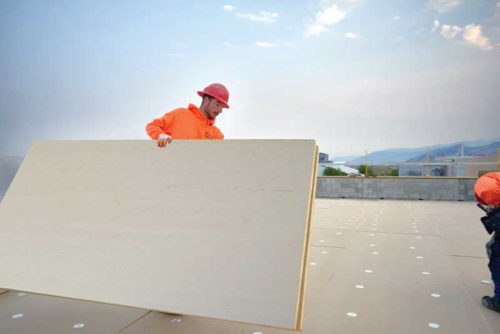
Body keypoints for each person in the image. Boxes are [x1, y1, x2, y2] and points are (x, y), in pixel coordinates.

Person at [146, 83, 230, 147]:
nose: (220, 110)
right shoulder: (180, 114)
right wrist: (160, 135)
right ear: (206, 100)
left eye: (222, 107)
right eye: (217, 104)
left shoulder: (217, 134)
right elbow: (153, 125)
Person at [474, 172, 500, 313]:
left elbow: (489, 192)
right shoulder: (492, 181)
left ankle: (498, 302)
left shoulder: (487, 184)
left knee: (497, 261)